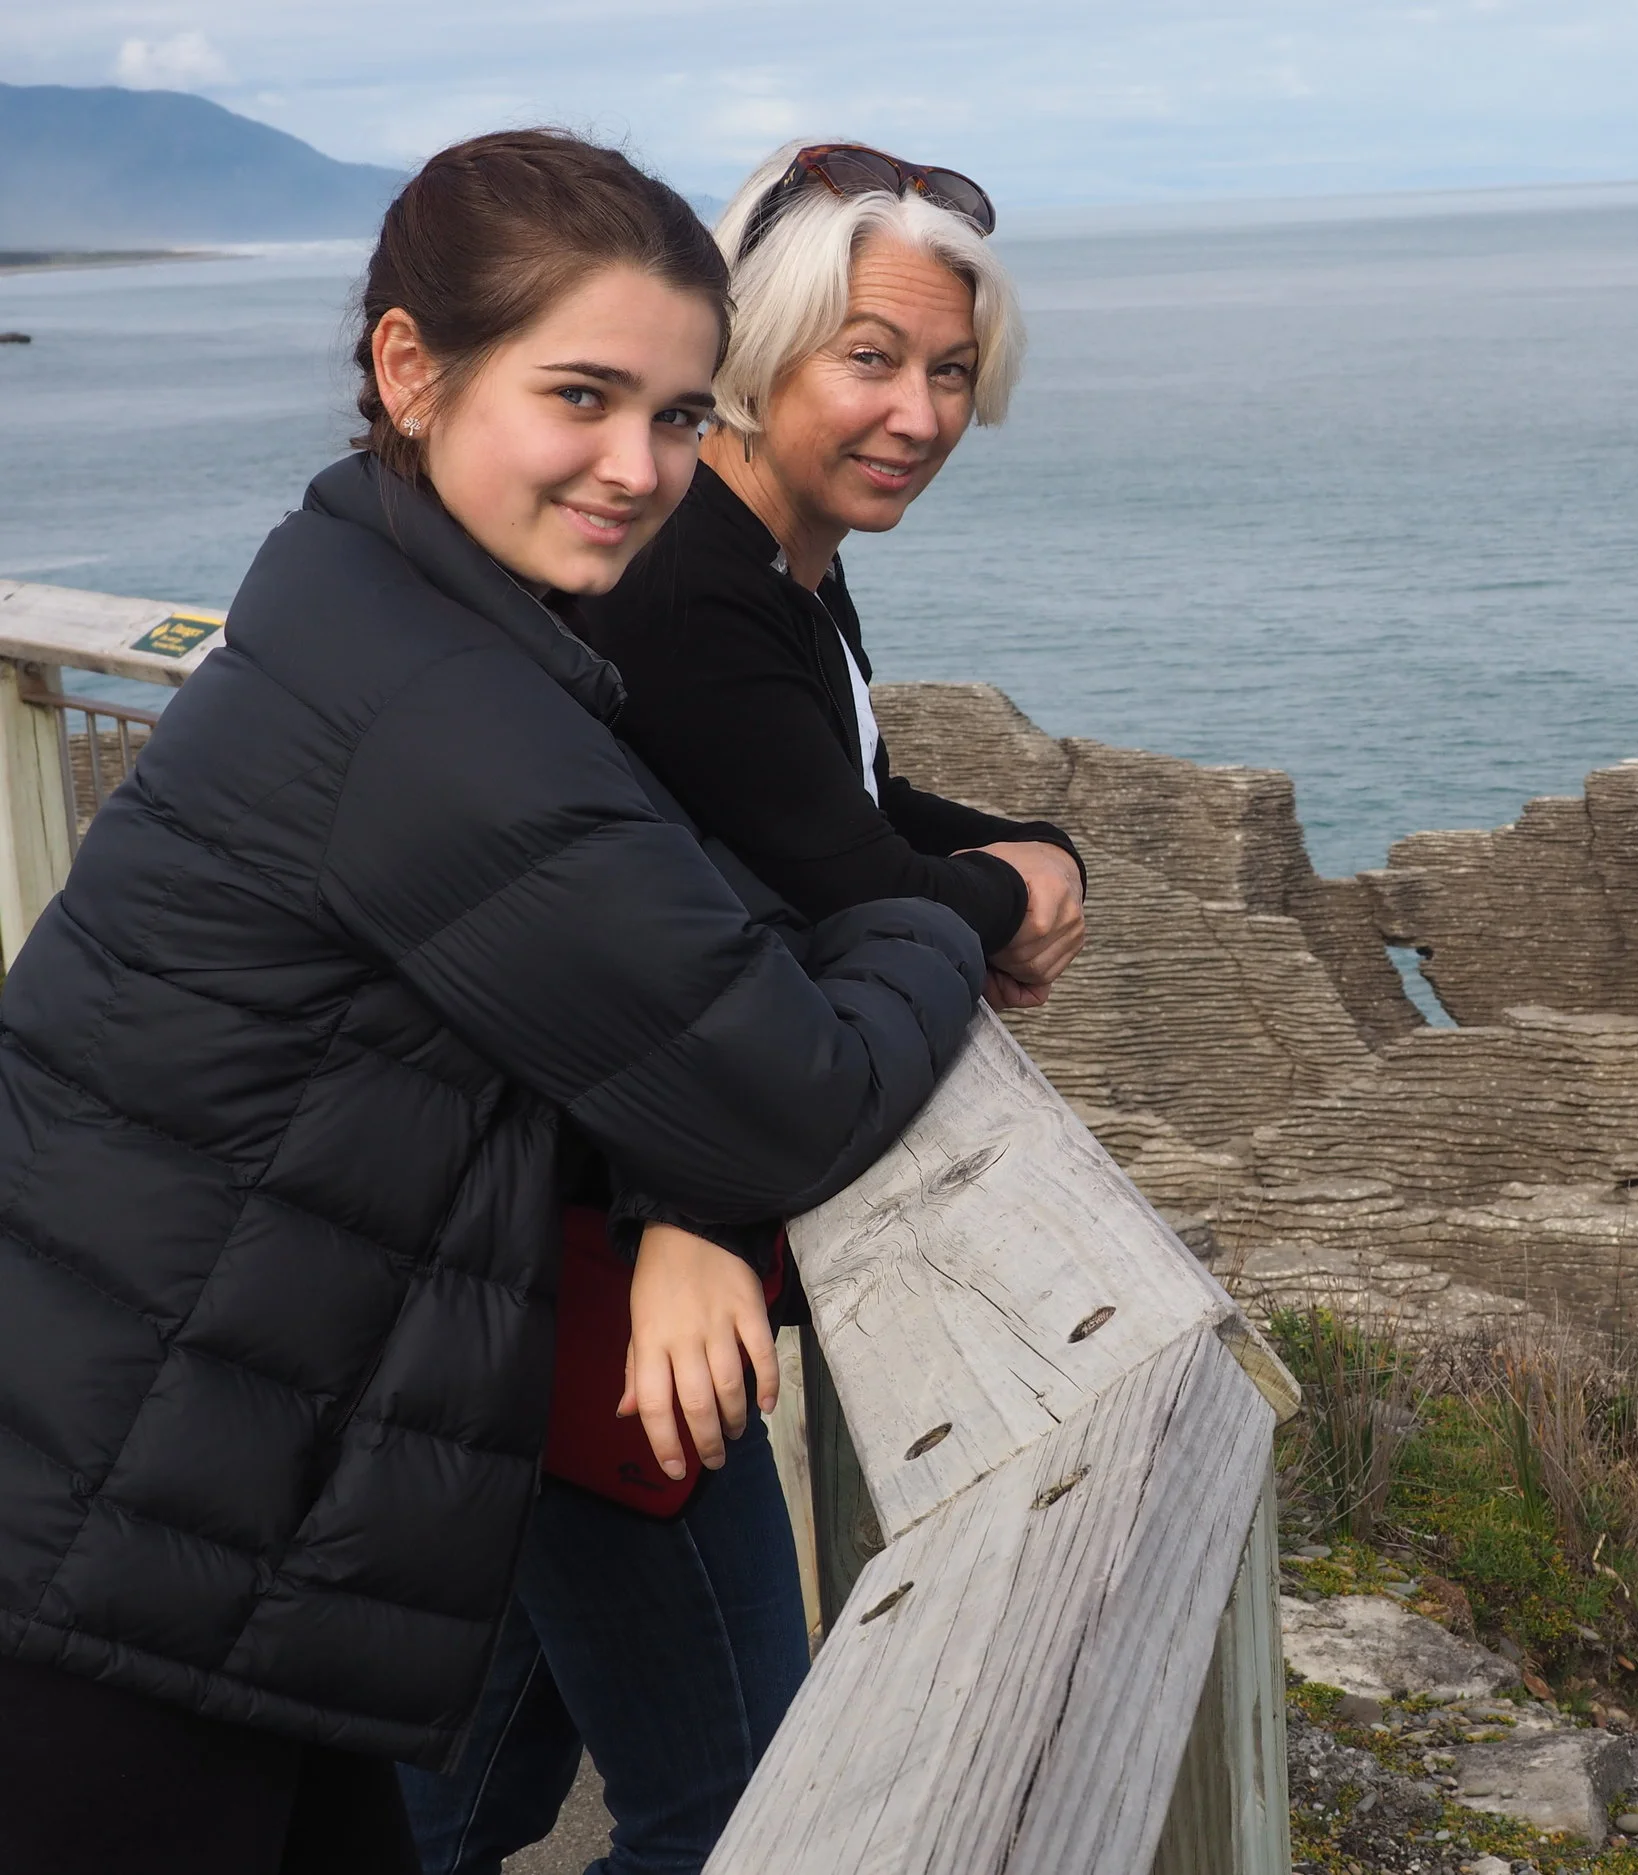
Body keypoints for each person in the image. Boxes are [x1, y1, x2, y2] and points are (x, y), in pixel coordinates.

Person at [0, 130, 985, 1875]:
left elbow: (657, 927)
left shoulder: (372, 593)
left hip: (177, 1475)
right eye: (584, 396)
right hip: (111, 1541)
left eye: (679, 415)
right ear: (411, 367)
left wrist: (688, 1188)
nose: (639, 465)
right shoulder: (442, 714)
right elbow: (792, 1079)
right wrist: (946, 919)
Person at [396, 141, 1088, 1875]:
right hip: (613, 1271)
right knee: (742, 1809)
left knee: (455, 1795)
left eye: (946, 372)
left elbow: (816, 807)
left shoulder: (774, 550)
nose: (919, 414)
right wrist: (1008, 890)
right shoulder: (698, 585)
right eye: (871, 358)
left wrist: (1015, 843)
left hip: (544, 1253)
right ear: (759, 357)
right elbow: (834, 897)